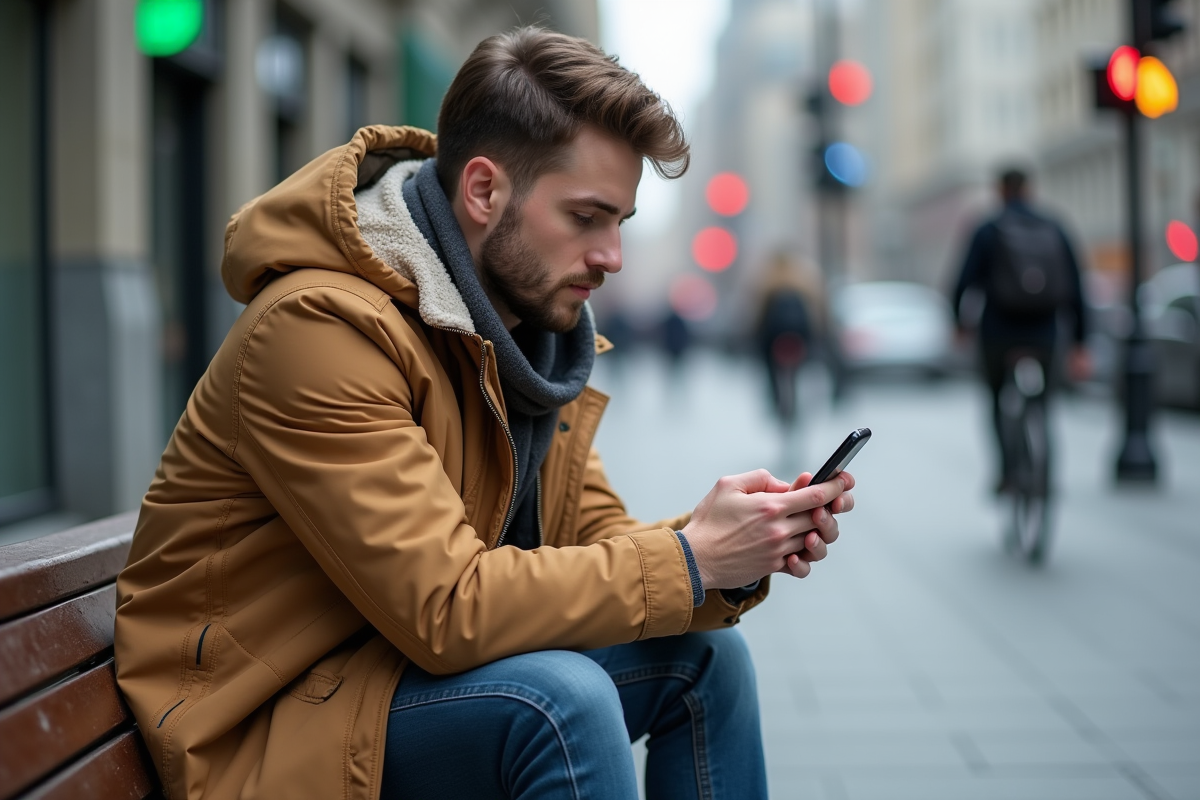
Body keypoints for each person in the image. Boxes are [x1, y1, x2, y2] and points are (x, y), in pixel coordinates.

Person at [114, 27, 856, 800]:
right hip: (261, 726)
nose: (612, 256)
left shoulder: (525, 340)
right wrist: (690, 558)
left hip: (384, 673)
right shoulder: (318, 330)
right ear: (482, 191)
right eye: (586, 217)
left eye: (621, 223)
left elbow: (594, 543)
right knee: (559, 702)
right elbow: (445, 607)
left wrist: (732, 548)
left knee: (704, 659)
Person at [952, 167, 1090, 493]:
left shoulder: (988, 229)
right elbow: (1076, 287)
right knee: (1043, 404)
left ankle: (1007, 473)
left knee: (997, 400)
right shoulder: (1054, 226)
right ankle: (1044, 471)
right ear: (1029, 190)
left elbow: (963, 282)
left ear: (1000, 191)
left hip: (998, 332)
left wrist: (959, 324)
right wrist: (1081, 343)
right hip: (1044, 332)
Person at [754, 253, 820, 424]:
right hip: (799, 336)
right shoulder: (803, 282)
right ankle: (795, 406)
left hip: (774, 337)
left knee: (772, 371)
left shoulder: (768, 283)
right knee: (796, 373)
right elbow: (815, 313)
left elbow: (759, 316)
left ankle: (777, 403)